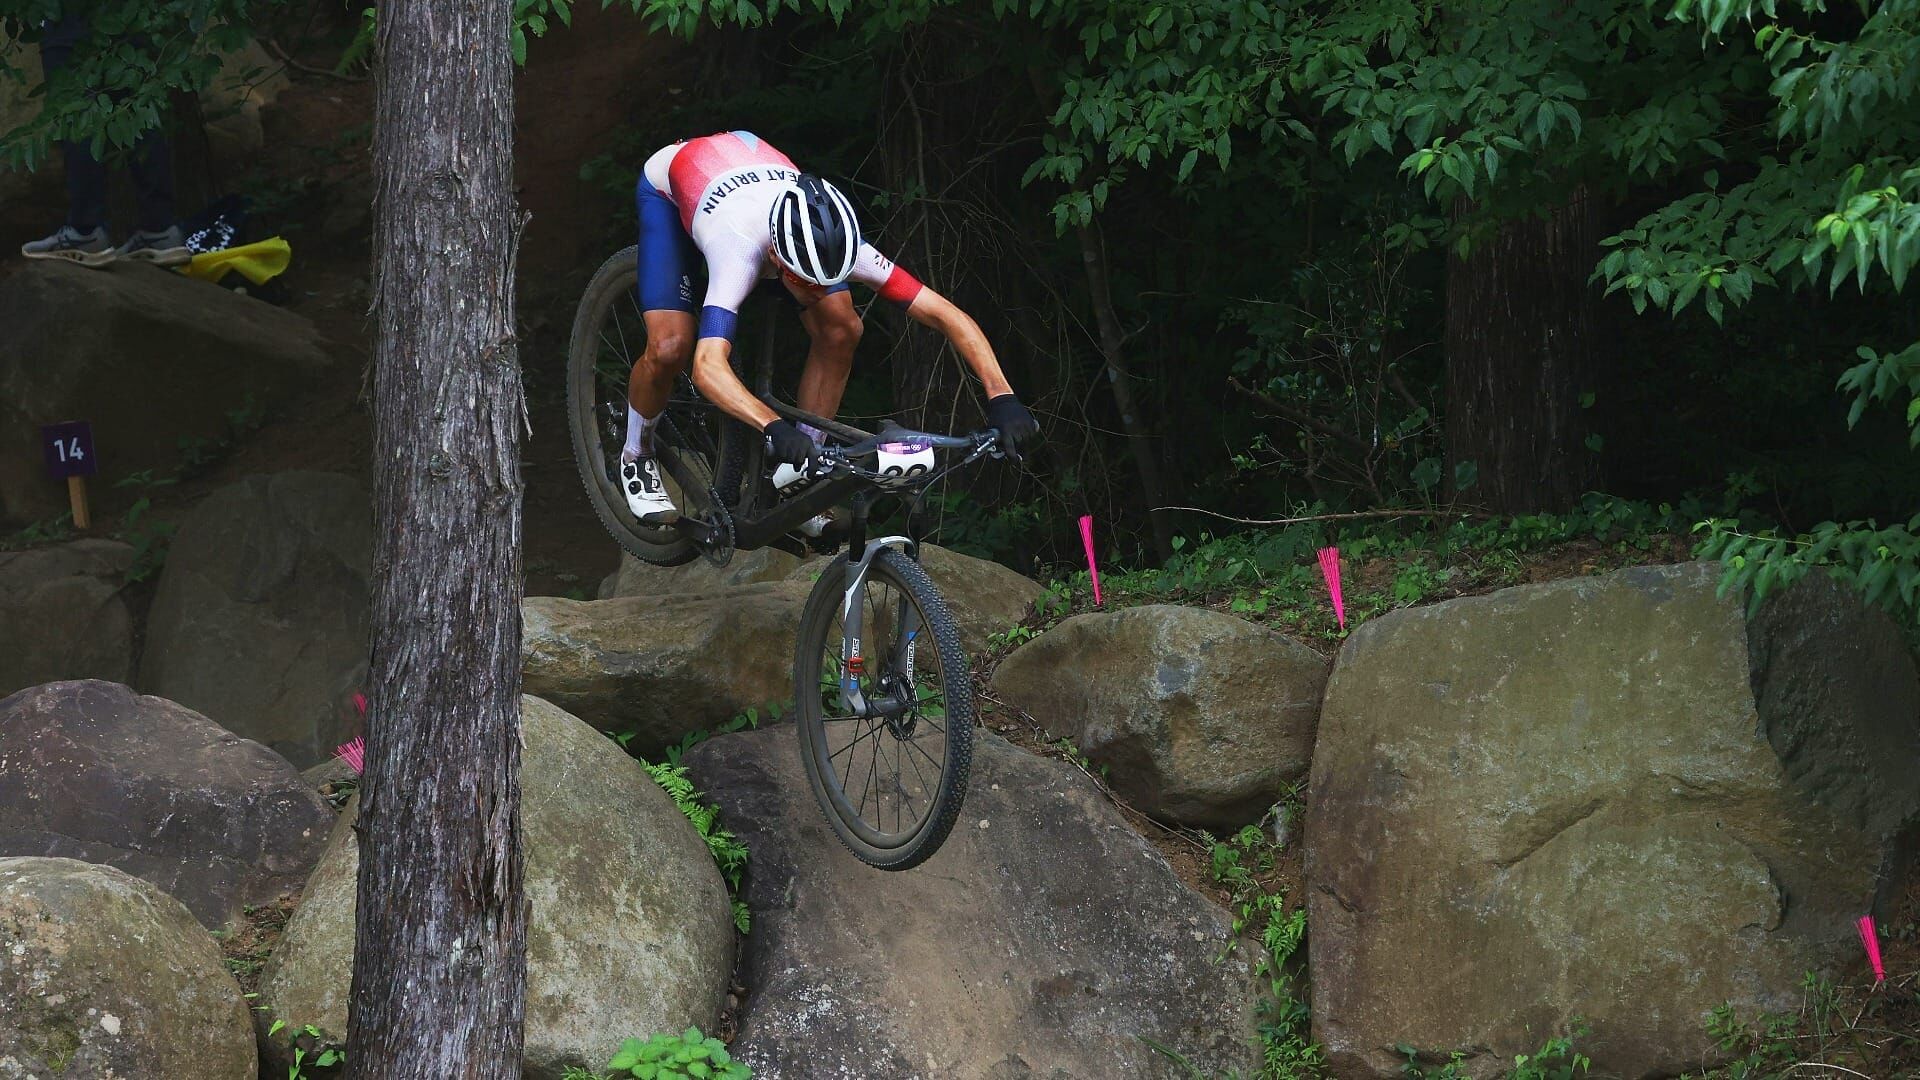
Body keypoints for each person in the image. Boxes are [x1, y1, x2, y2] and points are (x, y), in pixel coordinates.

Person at [621, 130, 1039, 532]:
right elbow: (707, 367)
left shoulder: (849, 248)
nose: (818, 291)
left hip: (747, 171)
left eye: (829, 278)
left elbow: (946, 315)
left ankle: (800, 468)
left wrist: (1002, 395)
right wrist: (772, 426)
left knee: (842, 328)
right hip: (674, 183)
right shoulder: (737, 249)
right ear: (775, 259)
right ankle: (636, 453)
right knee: (671, 346)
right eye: (808, 282)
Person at [18, 13, 191, 267]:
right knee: (136, 107)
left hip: (68, 14)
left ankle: (85, 232)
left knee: (76, 112)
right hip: (129, 12)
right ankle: (160, 229)